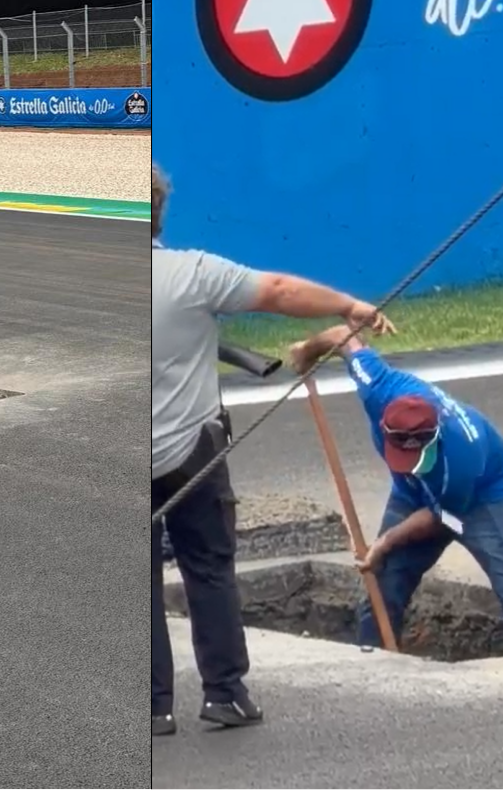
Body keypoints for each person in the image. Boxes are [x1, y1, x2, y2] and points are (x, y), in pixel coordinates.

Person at [151, 162, 397, 737]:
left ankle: (153, 704)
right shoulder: (193, 273)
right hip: (191, 451)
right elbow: (280, 292)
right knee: (208, 567)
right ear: (159, 208)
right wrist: (347, 306)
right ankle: (225, 694)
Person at [288, 325, 503, 655]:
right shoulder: (378, 389)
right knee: (382, 579)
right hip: (412, 494)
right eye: (403, 455)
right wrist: (308, 349)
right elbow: (345, 335)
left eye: (417, 457)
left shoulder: (461, 455)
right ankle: (372, 667)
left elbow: (440, 517)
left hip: (481, 497)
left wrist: (385, 542)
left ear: (434, 437)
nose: (410, 463)